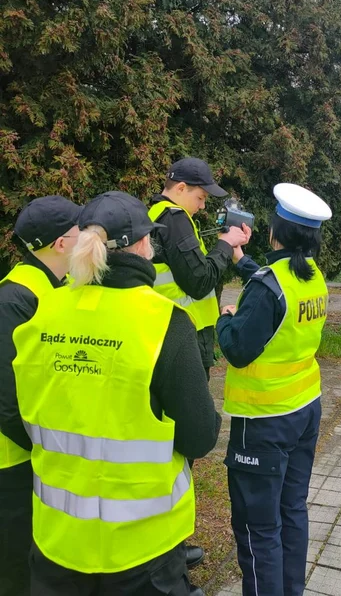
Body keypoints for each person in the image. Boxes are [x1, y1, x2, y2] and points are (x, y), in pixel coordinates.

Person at [12, 191, 220, 596]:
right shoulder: (166, 323)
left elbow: (22, 414)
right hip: (143, 550)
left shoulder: (41, 313)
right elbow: (200, 436)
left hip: (58, 542)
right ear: (143, 245)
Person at [217, 183, 332, 596]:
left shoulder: (269, 288)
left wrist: (226, 316)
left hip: (263, 423)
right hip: (304, 410)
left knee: (257, 529)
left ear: (275, 232)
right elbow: (275, 285)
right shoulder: (314, 276)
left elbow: (236, 348)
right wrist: (240, 259)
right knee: (292, 511)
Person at [0, 195, 82, 596]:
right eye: (80, 230)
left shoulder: (57, 286)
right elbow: (6, 402)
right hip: (12, 461)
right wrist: (45, 449)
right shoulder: (14, 299)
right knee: (14, 561)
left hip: (37, 453)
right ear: (62, 244)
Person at [148, 158, 251, 382]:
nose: (203, 206)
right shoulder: (174, 219)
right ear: (181, 188)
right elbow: (200, 280)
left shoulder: (160, 215)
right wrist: (224, 244)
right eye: (201, 198)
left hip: (173, 332)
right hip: (184, 336)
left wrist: (230, 248)